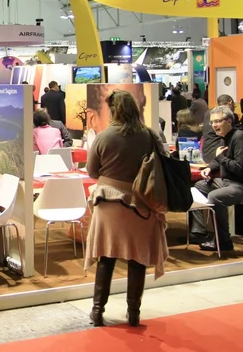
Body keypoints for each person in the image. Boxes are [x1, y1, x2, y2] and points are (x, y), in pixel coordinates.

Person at [85, 90, 168, 327]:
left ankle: (98, 311)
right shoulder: (149, 136)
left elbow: (92, 171)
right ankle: (134, 313)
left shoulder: (104, 136)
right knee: (137, 259)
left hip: (108, 203)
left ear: (114, 110)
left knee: (106, 257)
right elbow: (162, 164)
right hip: (141, 203)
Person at [190, 105, 243, 251]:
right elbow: (220, 159)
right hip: (228, 182)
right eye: (212, 122)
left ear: (229, 121)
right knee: (198, 186)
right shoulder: (226, 137)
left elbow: (239, 168)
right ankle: (199, 232)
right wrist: (210, 168)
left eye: (218, 121)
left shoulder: (241, 138)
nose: (214, 126)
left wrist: (220, 157)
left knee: (215, 197)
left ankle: (223, 241)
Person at [202, 94, 240, 164]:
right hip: (219, 155)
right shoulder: (230, 116)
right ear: (230, 103)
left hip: (206, 153)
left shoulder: (208, 113)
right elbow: (239, 134)